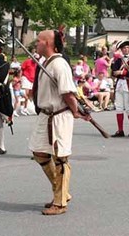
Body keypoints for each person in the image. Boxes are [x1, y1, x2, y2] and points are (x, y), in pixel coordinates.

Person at [29, 30, 87, 216]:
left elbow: (68, 93)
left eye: (38, 41)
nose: (35, 44)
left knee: (60, 158)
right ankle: (61, 191)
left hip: (59, 116)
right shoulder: (46, 63)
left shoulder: (60, 64)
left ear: (47, 43)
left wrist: (76, 111)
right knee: (39, 153)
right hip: (45, 115)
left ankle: (60, 202)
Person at [110, 40, 129, 137]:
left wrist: (122, 73)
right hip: (119, 85)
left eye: (127, 48)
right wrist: (116, 72)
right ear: (121, 50)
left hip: (128, 85)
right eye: (124, 48)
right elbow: (113, 72)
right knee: (119, 108)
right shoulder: (118, 60)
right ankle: (120, 130)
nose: (126, 49)